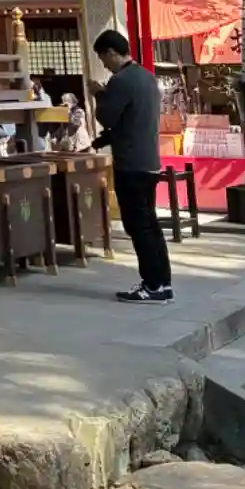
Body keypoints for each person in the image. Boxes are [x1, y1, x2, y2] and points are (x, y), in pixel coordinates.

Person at [92, 28, 172, 303]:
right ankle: (162, 283)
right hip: (149, 161)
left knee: (138, 226)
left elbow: (106, 117)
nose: (104, 65)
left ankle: (152, 285)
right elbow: (131, 121)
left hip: (130, 163)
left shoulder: (121, 81)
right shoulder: (147, 77)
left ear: (111, 53)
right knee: (150, 224)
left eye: (103, 58)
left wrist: (98, 94)